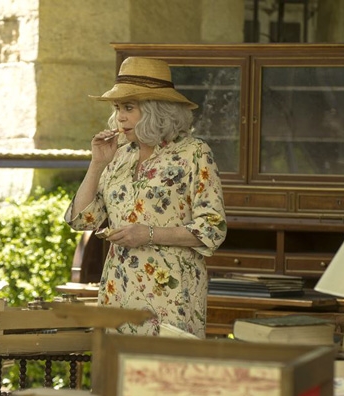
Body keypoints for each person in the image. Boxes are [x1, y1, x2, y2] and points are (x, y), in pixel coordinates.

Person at [64, 57, 227, 338]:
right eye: (117, 108)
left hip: (172, 296)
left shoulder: (194, 153)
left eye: (129, 108)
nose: (120, 117)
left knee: (163, 366)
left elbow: (212, 228)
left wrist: (148, 234)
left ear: (156, 110)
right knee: (117, 367)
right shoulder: (118, 155)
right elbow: (82, 220)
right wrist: (97, 163)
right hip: (118, 292)